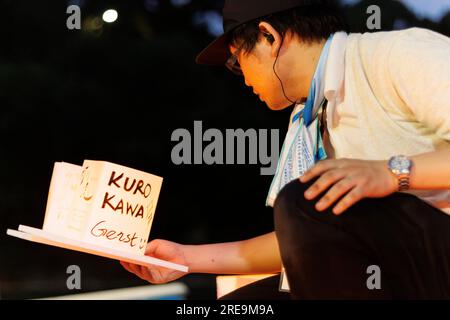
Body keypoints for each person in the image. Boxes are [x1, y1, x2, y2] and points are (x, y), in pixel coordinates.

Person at [121, 0, 450, 299]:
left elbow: (306, 213)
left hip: (433, 262)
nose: (243, 78)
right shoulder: (306, 118)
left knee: (302, 201)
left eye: (237, 61)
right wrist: (185, 259)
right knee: (243, 304)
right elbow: (304, 237)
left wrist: (391, 172)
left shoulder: (397, 54)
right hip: (383, 267)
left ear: (268, 37)